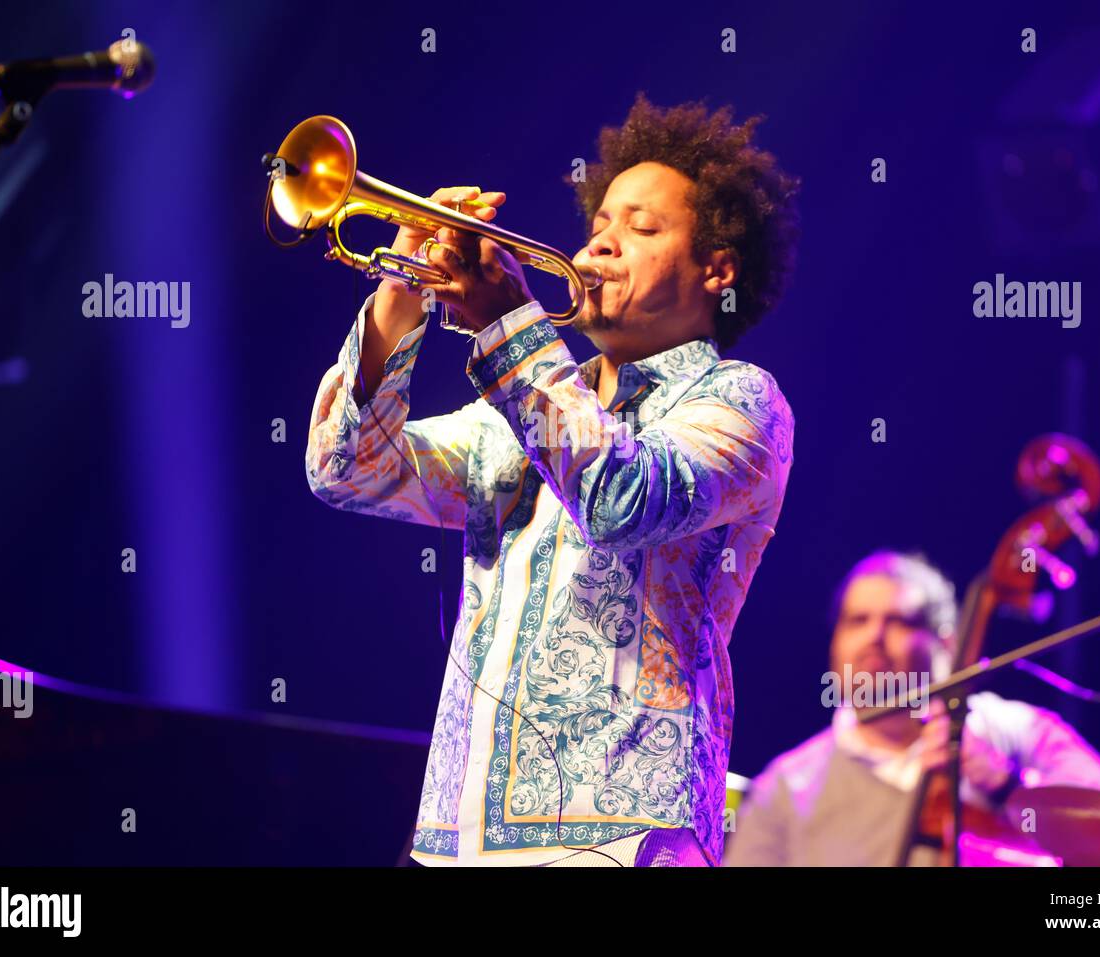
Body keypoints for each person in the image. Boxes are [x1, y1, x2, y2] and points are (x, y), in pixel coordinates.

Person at [305, 94, 802, 866]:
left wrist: (510, 324)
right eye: (599, 225)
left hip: (617, 835)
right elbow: (346, 471)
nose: (601, 247)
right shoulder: (515, 409)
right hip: (453, 841)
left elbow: (623, 499)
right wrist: (400, 297)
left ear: (718, 268)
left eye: (641, 229)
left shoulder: (742, 401)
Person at [725, 551, 1100, 866]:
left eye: (900, 621)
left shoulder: (1019, 733)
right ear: (834, 643)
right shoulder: (784, 790)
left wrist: (1009, 788)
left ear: (947, 644)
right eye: (857, 620)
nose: (875, 637)